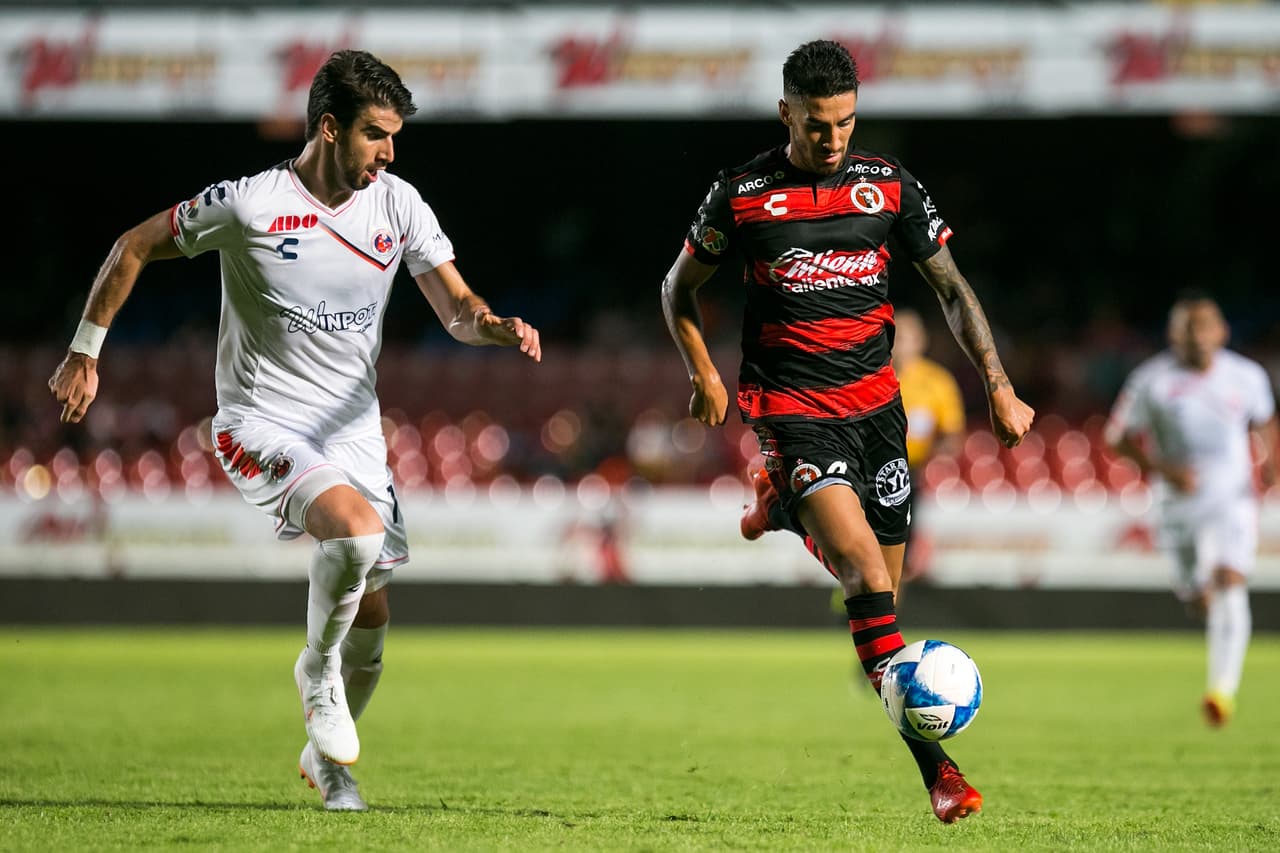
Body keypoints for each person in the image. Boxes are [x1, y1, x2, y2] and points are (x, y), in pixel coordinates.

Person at [47, 50, 541, 811]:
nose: (390, 152)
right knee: (352, 534)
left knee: (372, 613)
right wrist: (85, 349)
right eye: (377, 135)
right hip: (259, 419)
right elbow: (133, 244)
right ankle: (316, 672)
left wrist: (493, 326)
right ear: (329, 127)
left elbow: (456, 307)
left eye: (395, 137)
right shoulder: (248, 204)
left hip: (352, 434)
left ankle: (327, 760)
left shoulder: (399, 205)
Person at [660, 40, 1034, 823]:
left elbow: (954, 292)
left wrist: (997, 384)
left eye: (847, 123)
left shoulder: (887, 185)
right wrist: (703, 371)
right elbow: (677, 290)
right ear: (786, 111)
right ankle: (942, 774)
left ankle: (783, 506)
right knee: (865, 577)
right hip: (792, 409)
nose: (834, 139)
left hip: (878, 415)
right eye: (819, 124)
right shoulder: (741, 194)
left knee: (882, 611)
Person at [1105, 292, 1276, 727]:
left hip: (1233, 497)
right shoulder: (1152, 380)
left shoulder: (1247, 375)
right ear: (1173, 334)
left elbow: (1264, 419)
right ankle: (1199, 602)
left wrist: (1271, 460)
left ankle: (1222, 691)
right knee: (1200, 597)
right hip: (1177, 505)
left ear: (1222, 332)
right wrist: (1161, 468)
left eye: (1205, 326)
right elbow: (1117, 436)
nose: (1198, 336)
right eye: (1188, 327)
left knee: (1229, 579)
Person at [892, 307, 966, 583]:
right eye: (895, 336)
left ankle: (887, 606)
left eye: (906, 337)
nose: (900, 345)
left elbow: (952, 433)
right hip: (868, 469)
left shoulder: (937, 382)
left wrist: (938, 454)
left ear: (920, 341)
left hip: (910, 473)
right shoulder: (872, 377)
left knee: (900, 547)